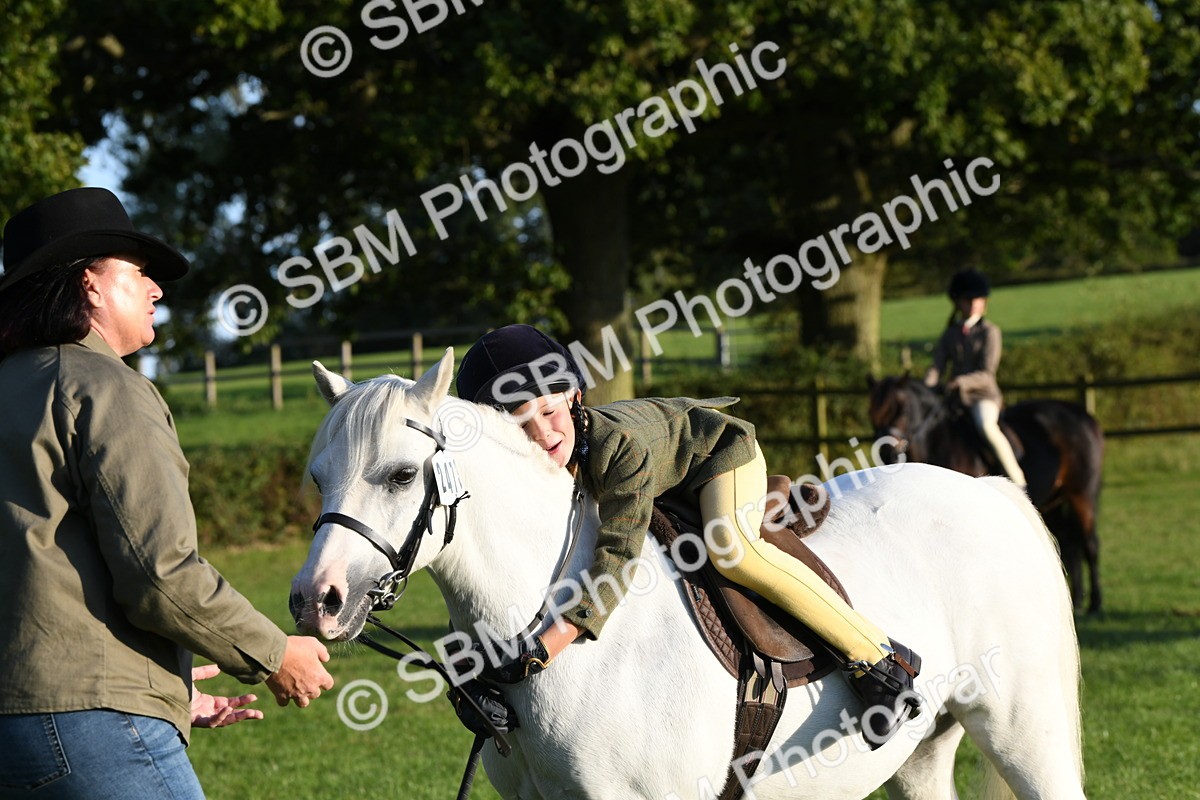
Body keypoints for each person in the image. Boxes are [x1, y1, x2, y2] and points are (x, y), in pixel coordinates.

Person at [0, 187, 335, 799]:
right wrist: (272, 653)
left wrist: (166, 692)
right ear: (89, 285)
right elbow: (159, 574)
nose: (156, 290)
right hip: (94, 728)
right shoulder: (105, 387)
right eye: (139, 272)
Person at [454, 324, 922, 749]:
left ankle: (880, 659)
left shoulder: (620, 448)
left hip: (718, 454)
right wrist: (471, 678)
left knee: (732, 550)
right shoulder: (532, 466)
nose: (541, 434)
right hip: (669, 468)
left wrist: (545, 648)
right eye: (518, 421)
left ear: (575, 396)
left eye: (548, 410)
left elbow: (617, 558)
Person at [924, 269, 1027, 488]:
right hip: (954, 399)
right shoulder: (949, 333)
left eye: (977, 299)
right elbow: (937, 366)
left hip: (982, 396)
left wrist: (960, 382)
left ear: (984, 302)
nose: (973, 303)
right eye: (967, 299)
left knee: (986, 426)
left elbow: (987, 373)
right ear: (958, 302)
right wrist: (926, 386)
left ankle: (1018, 479)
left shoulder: (990, 332)